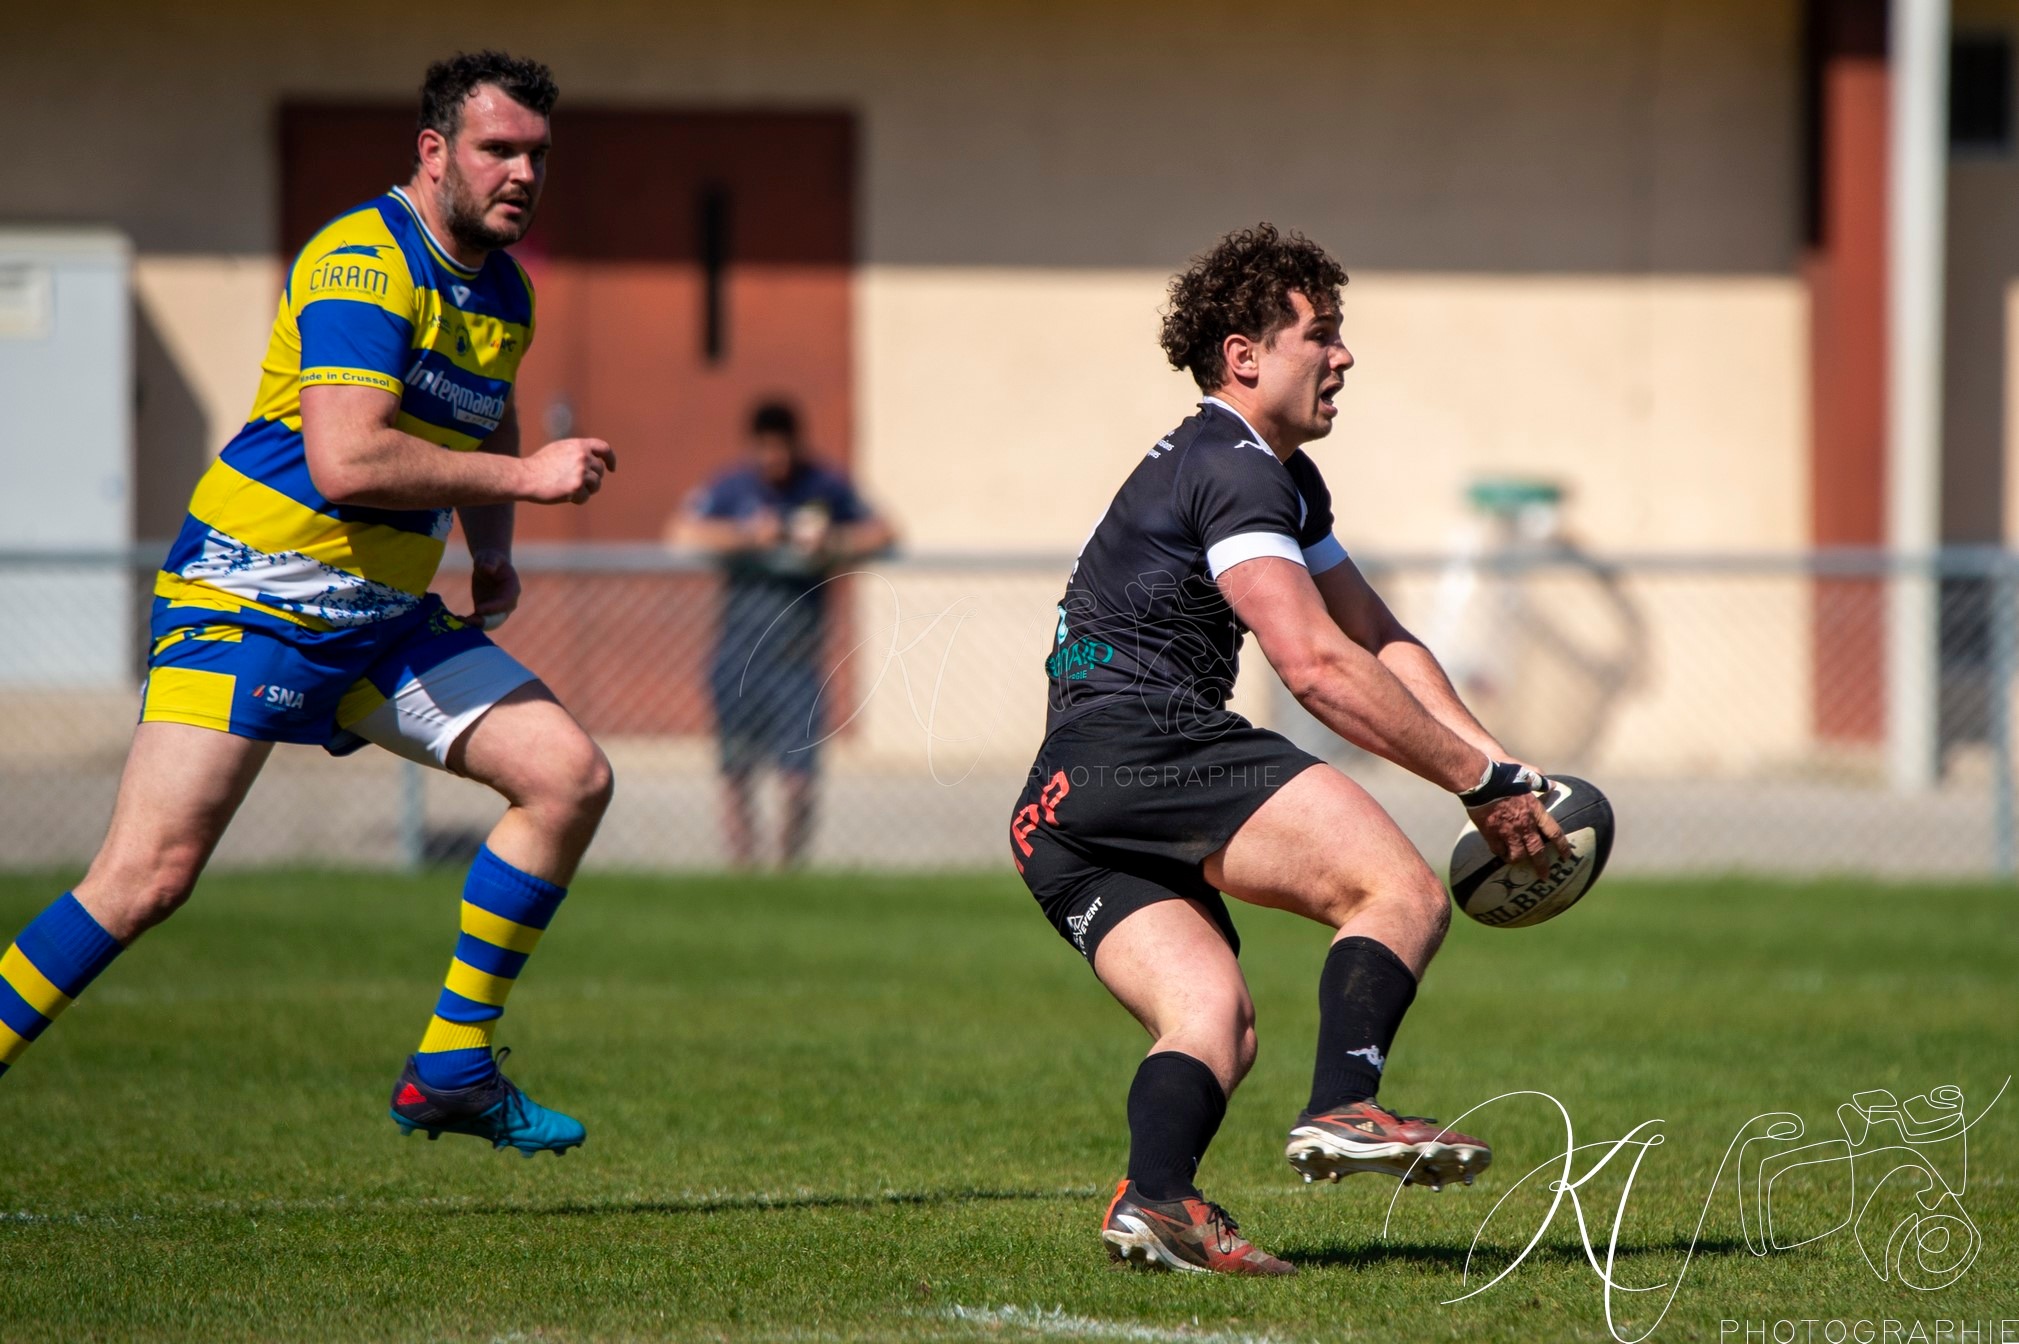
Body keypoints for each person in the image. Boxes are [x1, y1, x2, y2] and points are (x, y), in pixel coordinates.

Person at [0, 52, 618, 1156]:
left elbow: (490, 413)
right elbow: (348, 460)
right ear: (433, 153)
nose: (524, 173)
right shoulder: (362, 262)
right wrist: (528, 482)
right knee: (144, 880)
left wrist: (492, 550)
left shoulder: (504, 289)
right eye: (498, 150)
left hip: (379, 619)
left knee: (567, 778)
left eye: (537, 155)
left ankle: (451, 1068)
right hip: (251, 596)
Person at [1009, 225, 1570, 1274]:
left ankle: (1158, 1201)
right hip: (1152, 741)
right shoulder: (1234, 467)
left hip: (1059, 805)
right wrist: (1474, 783)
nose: (1343, 356)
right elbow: (1313, 664)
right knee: (1398, 894)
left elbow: (1377, 638)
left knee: (1213, 1018)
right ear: (1244, 356)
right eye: (1322, 334)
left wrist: (1503, 768)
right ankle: (1345, 1105)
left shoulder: (1276, 478)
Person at [673, 400, 894, 867]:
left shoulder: (824, 486)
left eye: (783, 449)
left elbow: (883, 532)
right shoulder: (733, 487)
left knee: (798, 779)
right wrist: (750, 537)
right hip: (738, 653)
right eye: (766, 449)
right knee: (736, 771)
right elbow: (683, 533)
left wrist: (832, 542)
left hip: (798, 658)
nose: (775, 460)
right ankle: (743, 871)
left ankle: (789, 871)